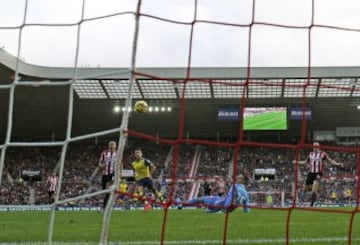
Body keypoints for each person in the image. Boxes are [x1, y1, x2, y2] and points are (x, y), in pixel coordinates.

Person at [295, 142, 343, 207]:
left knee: (314, 188)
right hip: (311, 173)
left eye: (316, 147)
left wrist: (338, 164)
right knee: (306, 189)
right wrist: (297, 162)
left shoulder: (323, 154)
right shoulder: (310, 154)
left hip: (318, 173)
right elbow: (305, 162)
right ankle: (307, 189)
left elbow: (330, 161)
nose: (315, 148)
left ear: (318, 147)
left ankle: (311, 205)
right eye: (314, 147)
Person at [98, 140, 117, 210]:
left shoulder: (118, 153)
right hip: (104, 174)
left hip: (112, 174)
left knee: (108, 189)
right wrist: (101, 165)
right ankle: (110, 201)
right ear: (109, 146)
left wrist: (120, 173)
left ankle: (105, 207)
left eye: (113, 146)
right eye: (110, 146)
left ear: (115, 146)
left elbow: (121, 164)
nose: (112, 147)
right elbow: (99, 163)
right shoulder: (104, 153)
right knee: (104, 190)